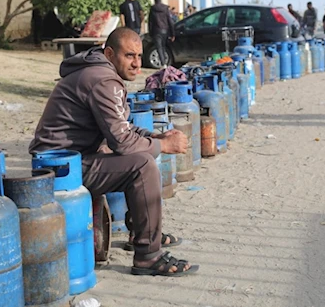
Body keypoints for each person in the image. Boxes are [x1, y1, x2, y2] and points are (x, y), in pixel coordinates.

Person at [28, 27, 199, 277]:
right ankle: (148, 256)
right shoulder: (103, 80)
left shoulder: (100, 73)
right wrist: (164, 145)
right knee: (142, 166)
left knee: (140, 154)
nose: (137, 64)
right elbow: (122, 141)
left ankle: (142, 231)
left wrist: (155, 137)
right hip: (60, 170)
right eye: (129, 56)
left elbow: (120, 127)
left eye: (139, 56)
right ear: (109, 53)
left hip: (69, 161)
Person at [148, 0, 175, 69]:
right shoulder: (166, 9)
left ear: (155, 1)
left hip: (156, 31)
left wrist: (150, 33)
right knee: (163, 47)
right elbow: (170, 21)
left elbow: (150, 22)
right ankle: (165, 62)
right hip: (165, 30)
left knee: (159, 47)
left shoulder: (153, 9)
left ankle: (163, 64)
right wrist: (172, 33)